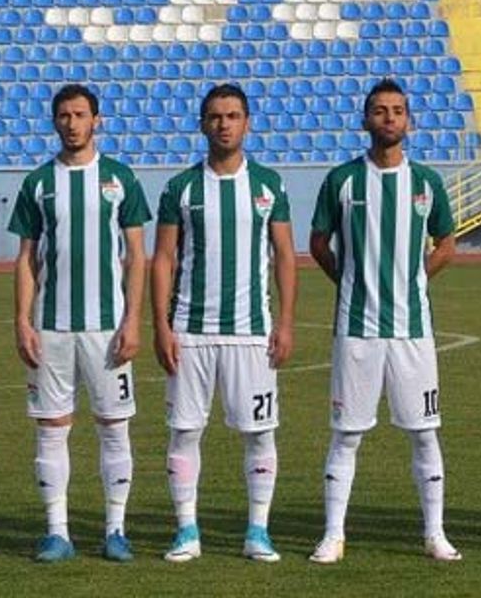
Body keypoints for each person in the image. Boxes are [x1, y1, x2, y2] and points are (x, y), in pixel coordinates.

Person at [308, 78, 460, 564]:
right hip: (356, 330)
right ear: (365, 120)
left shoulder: (426, 183)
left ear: (409, 121)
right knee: (346, 433)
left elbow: (447, 243)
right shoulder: (342, 180)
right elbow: (318, 243)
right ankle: (333, 534)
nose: (389, 117)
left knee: (424, 432)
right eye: (379, 110)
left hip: (413, 331)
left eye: (397, 110)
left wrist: (415, 278)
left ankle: (435, 534)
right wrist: (349, 279)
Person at [151, 83, 296, 563]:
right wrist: (161, 325)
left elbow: (284, 256)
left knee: (260, 433)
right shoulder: (181, 188)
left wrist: (286, 322)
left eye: (233, 116)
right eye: (215, 116)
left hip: (251, 331)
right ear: (202, 124)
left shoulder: (269, 185)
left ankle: (258, 531)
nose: (224, 124)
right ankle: (186, 530)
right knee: (184, 431)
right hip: (190, 330)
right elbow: (163, 259)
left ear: (247, 123)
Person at [9, 84, 150, 563]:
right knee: (52, 428)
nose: (72, 123)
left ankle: (116, 530)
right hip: (51, 327)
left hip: (107, 328)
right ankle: (57, 532)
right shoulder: (38, 183)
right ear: (54, 121)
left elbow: (137, 256)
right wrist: (22, 320)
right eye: (64, 115)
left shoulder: (119, 179)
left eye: (81, 114)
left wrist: (133, 320)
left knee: (114, 426)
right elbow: (26, 259)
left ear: (97, 120)